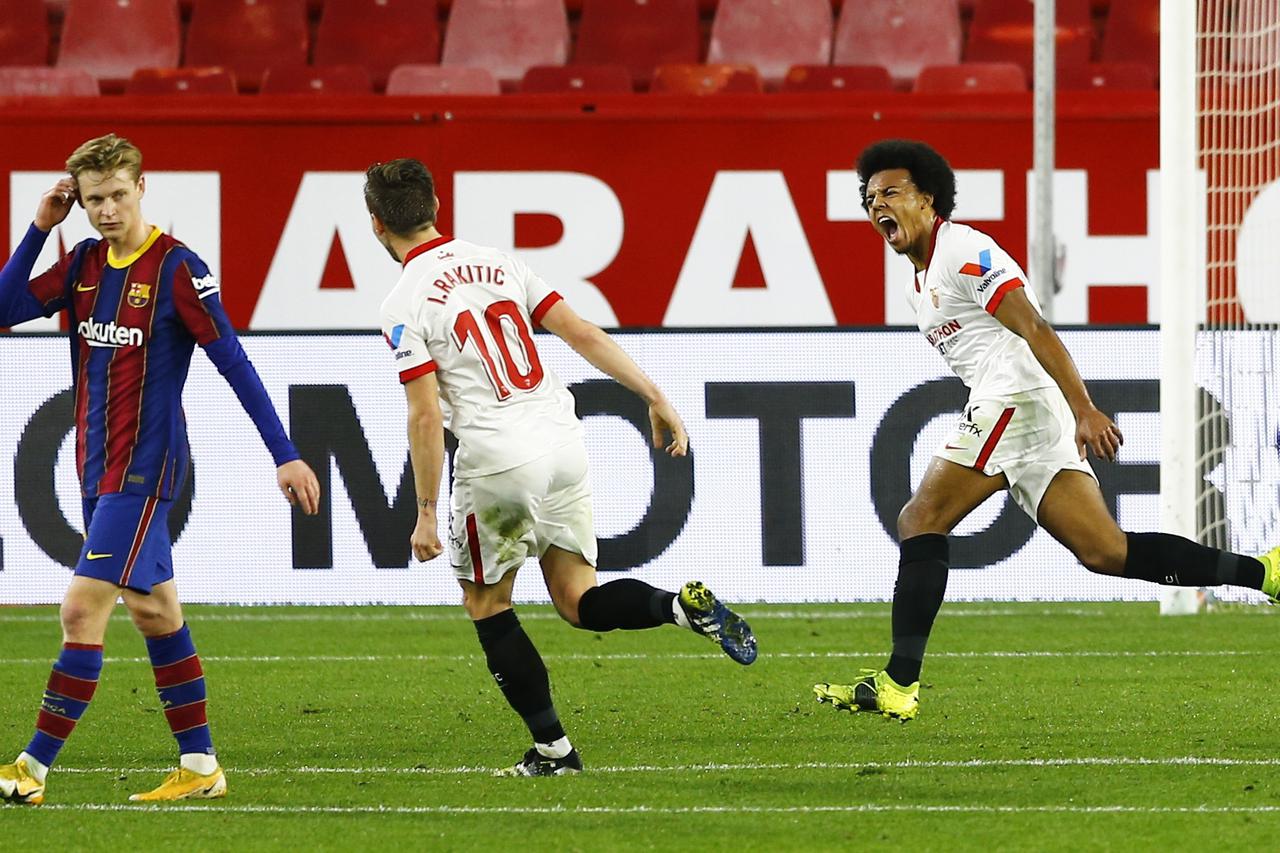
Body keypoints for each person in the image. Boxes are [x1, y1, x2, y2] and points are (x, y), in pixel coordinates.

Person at [813, 138, 1280, 721]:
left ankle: (898, 683)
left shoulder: (963, 251)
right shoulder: (920, 277)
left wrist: (1084, 406)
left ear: (928, 199)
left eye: (891, 192)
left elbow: (1033, 326)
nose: (876, 203)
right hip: (1027, 409)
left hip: (1014, 400)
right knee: (1105, 551)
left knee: (920, 520)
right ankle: (1265, 572)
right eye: (869, 197)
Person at [365, 158, 757, 776]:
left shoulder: (401, 302)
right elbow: (581, 333)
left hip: (497, 462)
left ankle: (554, 750)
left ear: (376, 225)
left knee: (489, 605)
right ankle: (679, 608)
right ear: (436, 207)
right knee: (578, 600)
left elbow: (422, 416)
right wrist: (654, 397)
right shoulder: (498, 262)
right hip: (561, 443)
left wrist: (423, 512)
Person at [0, 134, 321, 804]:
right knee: (154, 611)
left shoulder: (178, 268)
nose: (108, 209)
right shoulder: (83, 262)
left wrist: (284, 451)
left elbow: (233, 359)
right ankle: (201, 766)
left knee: (80, 609)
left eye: (119, 193)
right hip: (96, 470)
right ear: (80, 202)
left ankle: (30, 767)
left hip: (145, 472)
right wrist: (38, 229)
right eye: (94, 199)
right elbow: (2, 310)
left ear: (142, 186)